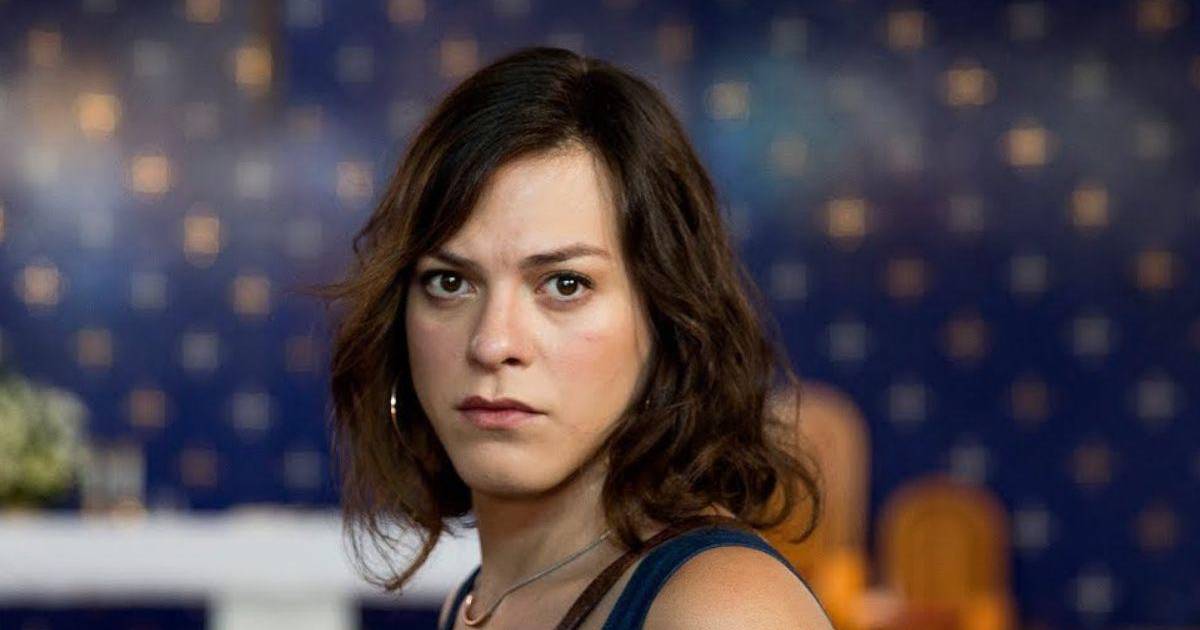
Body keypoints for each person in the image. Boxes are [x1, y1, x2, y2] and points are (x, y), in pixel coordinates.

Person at [316, 46, 833, 629]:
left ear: (666, 316)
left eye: (565, 284)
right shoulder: (478, 601)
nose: (492, 344)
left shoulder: (719, 611)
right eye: (450, 282)